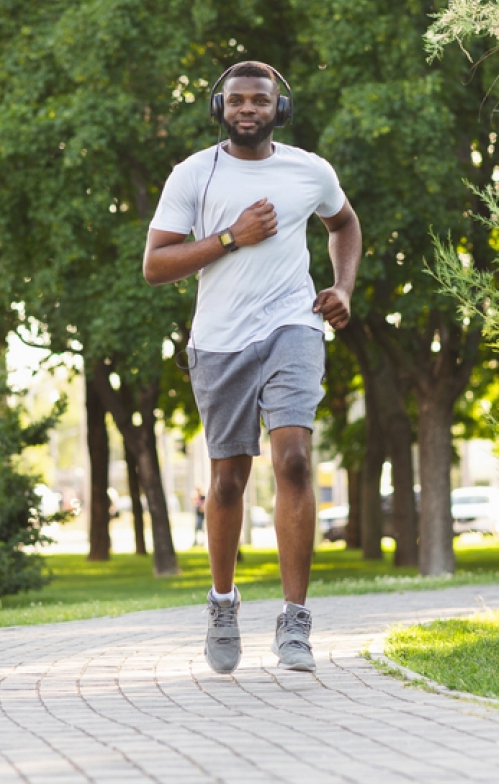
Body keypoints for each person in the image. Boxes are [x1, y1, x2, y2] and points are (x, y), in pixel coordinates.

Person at [143, 60, 361, 673]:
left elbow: (343, 223)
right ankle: (222, 603)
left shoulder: (310, 170)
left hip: (293, 325)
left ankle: (295, 622)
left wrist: (342, 287)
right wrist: (232, 237)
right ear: (220, 108)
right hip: (219, 342)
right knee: (229, 481)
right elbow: (156, 265)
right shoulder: (193, 175)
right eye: (236, 100)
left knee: (293, 459)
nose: (247, 109)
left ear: (278, 109)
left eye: (259, 101)